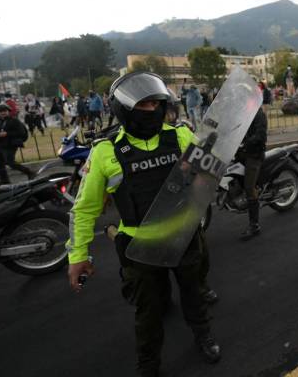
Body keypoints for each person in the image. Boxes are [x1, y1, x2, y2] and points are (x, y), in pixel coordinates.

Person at [66, 72, 221, 377]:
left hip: (183, 236)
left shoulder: (179, 136)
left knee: (194, 292)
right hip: (139, 248)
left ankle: (203, 335)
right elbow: (84, 210)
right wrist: (77, 256)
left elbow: (209, 176)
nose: (151, 109)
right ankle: (148, 364)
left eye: (155, 102)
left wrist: (208, 164)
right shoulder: (105, 152)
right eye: (143, 104)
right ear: (124, 108)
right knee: (148, 311)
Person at [237, 107, 268, 240]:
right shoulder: (242, 112)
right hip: (243, 151)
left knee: (249, 187)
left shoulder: (259, 114)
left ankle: (254, 225)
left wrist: (245, 143)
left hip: (254, 153)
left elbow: (260, 135)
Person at [0, 103, 35, 186]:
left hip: (10, 144)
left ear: (8, 111)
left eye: (4, 111)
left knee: (10, 162)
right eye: (0, 111)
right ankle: (4, 180)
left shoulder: (14, 121)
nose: (2, 113)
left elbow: (21, 132)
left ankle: (29, 172)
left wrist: (7, 133)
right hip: (0, 144)